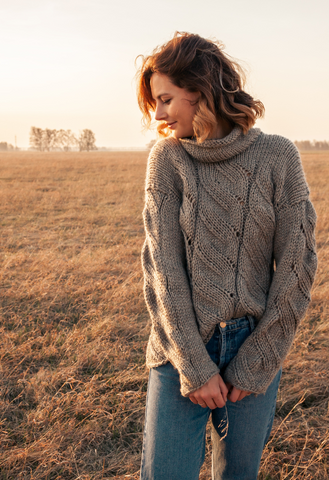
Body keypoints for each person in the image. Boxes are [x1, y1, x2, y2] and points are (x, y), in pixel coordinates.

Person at [135, 32, 318, 479]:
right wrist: (196, 367)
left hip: (254, 346)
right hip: (180, 350)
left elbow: (297, 267)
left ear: (199, 90)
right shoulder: (167, 160)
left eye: (164, 99)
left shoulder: (277, 157)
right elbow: (164, 272)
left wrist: (256, 360)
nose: (157, 115)